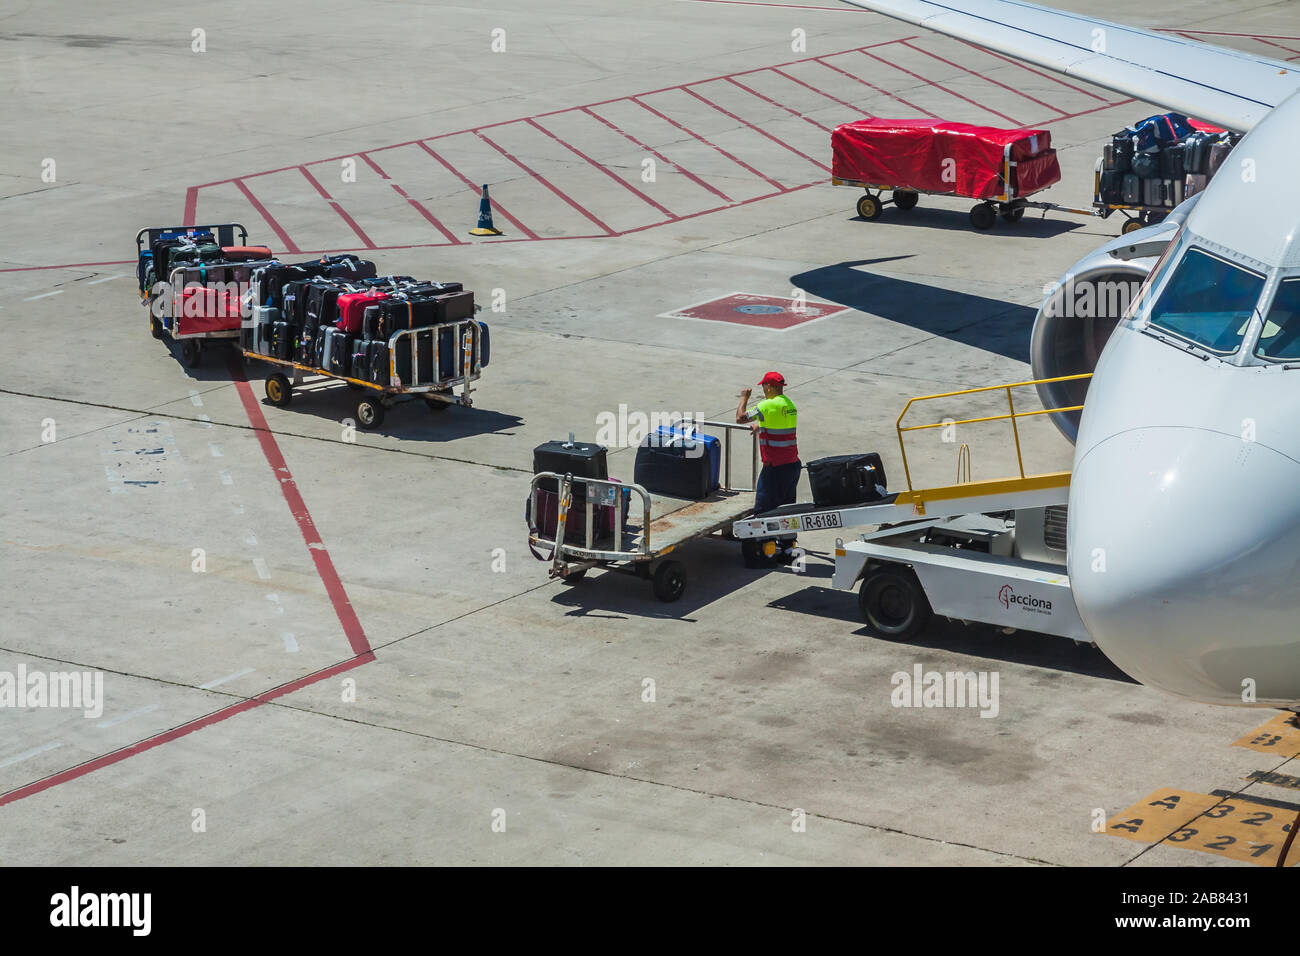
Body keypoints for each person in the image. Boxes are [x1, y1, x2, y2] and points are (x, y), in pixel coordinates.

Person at [737, 372, 800, 566]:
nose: (763, 390)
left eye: (764, 386)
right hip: (792, 465)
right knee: (787, 510)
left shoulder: (767, 405)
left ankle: (767, 552)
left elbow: (740, 418)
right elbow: (777, 425)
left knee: (764, 510)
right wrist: (760, 427)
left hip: (775, 468)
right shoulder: (789, 405)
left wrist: (744, 398)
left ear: (770, 387)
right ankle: (789, 549)